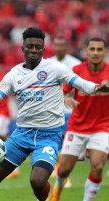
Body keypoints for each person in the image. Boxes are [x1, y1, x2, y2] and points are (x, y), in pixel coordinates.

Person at [0, 27, 109, 201]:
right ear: (23, 48)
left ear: (43, 49)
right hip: (21, 135)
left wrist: (96, 88)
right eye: (30, 46)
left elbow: (82, 84)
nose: (34, 50)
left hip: (48, 136)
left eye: (38, 47)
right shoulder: (14, 74)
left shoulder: (55, 68)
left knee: (37, 181)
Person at [48, 37, 109, 201]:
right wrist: (66, 99)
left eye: (99, 49)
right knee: (65, 169)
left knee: (97, 167)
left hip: (102, 128)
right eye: (92, 49)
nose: (95, 52)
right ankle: (57, 192)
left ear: (105, 52)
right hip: (77, 127)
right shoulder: (77, 70)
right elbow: (60, 91)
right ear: (86, 51)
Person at [49, 36, 82, 187]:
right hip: (53, 110)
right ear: (54, 46)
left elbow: (82, 86)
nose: (60, 48)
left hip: (70, 110)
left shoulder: (76, 64)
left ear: (67, 47)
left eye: (63, 45)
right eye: (57, 45)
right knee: (55, 141)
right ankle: (58, 170)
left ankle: (63, 173)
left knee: (67, 143)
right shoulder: (48, 63)